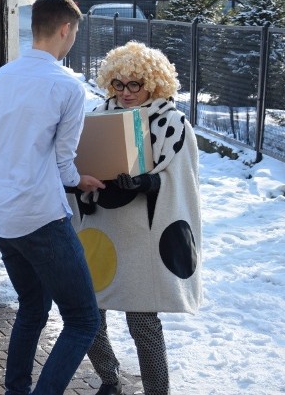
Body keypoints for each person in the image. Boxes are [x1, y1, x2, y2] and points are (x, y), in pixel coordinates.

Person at [0, 0, 105, 394]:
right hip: (39, 215)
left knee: (33, 308)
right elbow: (61, 161)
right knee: (83, 319)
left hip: (0, 214)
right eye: (73, 35)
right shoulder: (67, 87)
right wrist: (79, 180)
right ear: (65, 30)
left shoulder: (0, 78)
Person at [78, 41, 203, 395]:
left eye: (135, 84)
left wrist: (149, 182)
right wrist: (85, 191)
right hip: (102, 227)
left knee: (143, 321)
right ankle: (109, 378)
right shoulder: (99, 114)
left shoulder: (172, 121)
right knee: (89, 314)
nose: (126, 92)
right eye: (118, 84)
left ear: (153, 82)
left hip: (145, 234)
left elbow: (182, 179)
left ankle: (156, 391)